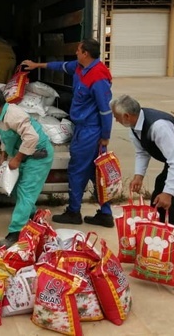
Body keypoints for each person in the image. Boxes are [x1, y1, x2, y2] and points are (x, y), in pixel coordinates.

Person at [22, 38, 114, 227]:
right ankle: (105, 213)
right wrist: (36, 65)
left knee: (77, 170)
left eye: (78, 50)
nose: (76, 53)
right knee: (94, 172)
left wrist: (105, 136)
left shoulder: (98, 77)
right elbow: (60, 66)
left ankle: (74, 211)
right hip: (84, 128)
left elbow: (105, 110)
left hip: (91, 130)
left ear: (86, 53)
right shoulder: (80, 67)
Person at [110, 94, 174, 229]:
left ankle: (170, 241)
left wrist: (168, 193)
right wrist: (138, 176)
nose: (116, 120)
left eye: (116, 116)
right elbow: (142, 152)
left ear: (127, 116)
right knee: (158, 197)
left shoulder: (159, 127)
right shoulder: (134, 126)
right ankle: (156, 235)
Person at [0, 88, 54, 248]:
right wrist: (3, 154)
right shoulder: (1, 114)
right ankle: (33, 215)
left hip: (38, 157)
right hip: (24, 155)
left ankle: (15, 233)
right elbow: (6, 135)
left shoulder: (14, 115)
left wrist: (17, 158)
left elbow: (32, 137)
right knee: (15, 189)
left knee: (26, 192)